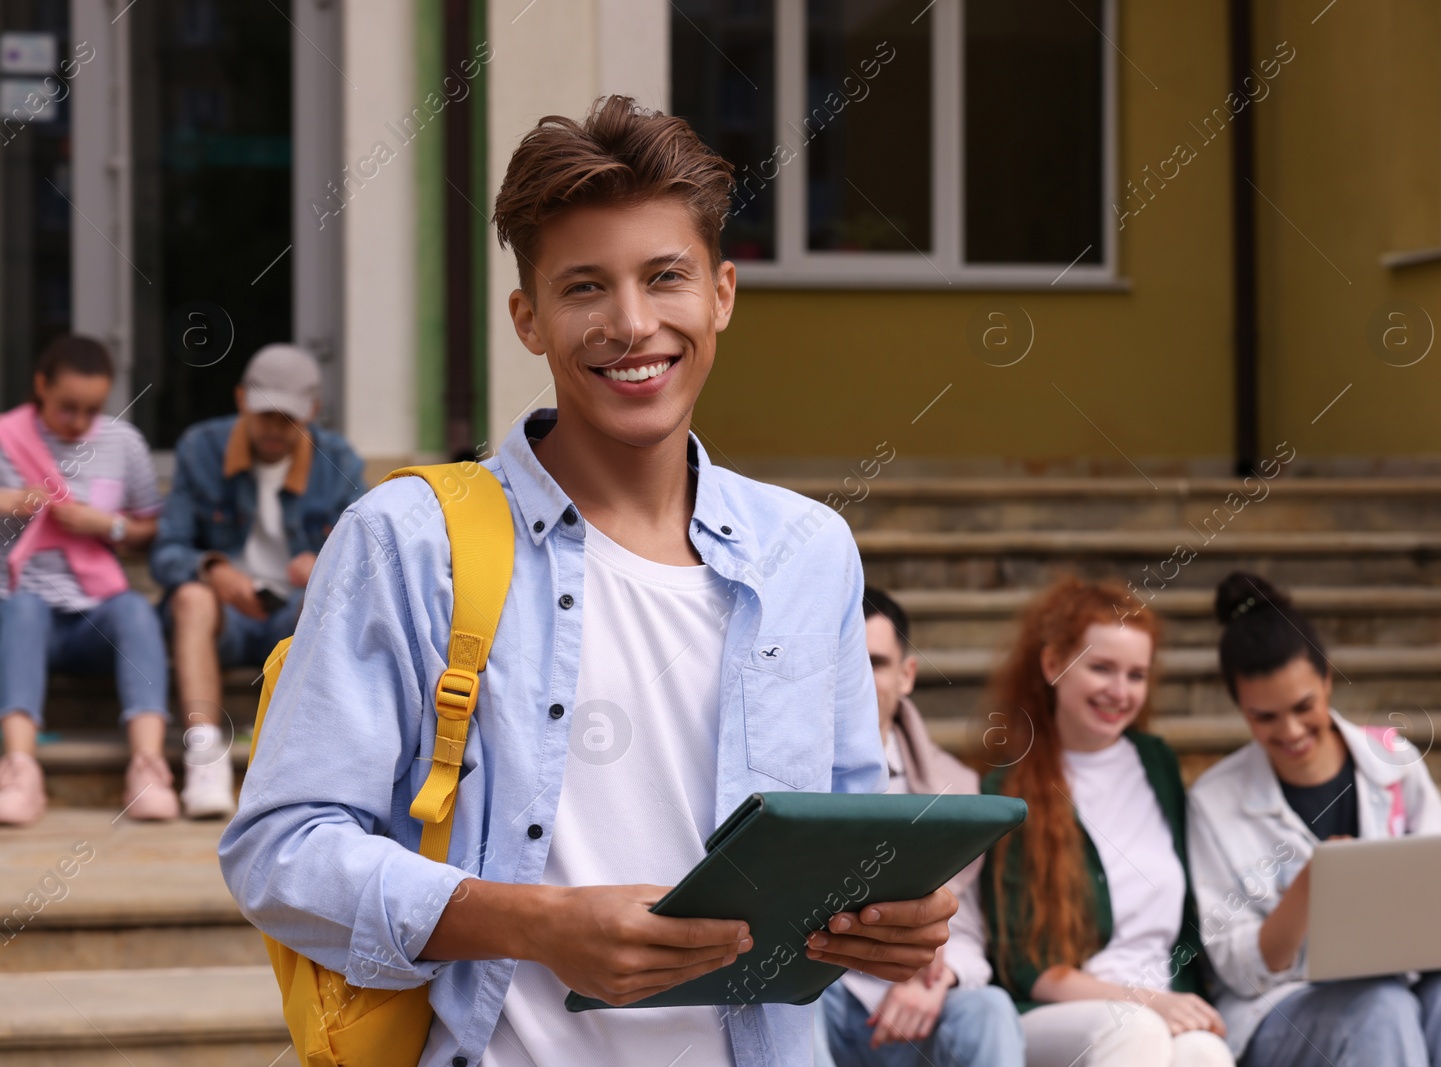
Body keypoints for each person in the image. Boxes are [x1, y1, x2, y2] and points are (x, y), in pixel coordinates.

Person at [219, 95, 955, 1067]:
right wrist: (531, 922)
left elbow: (857, 832)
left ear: (722, 292)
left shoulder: (808, 550)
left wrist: (896, 916)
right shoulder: (407, 539)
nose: (633, 323)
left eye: (665, 278)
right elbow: (281, 849)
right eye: (584, 288)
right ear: (527, 317)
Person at [1186, 571, 1441, 1067]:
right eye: (1264, 717)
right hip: (1284, 1011)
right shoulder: (1214, 800)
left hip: (1406, 982)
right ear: (1240, 707)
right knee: (1379, 1008)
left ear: (1327, 679)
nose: (1291, 731)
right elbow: (1238, 972)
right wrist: (1313, 884)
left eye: (1304, 707)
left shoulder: (1393, 758)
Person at [981, 576, 1232, 1067]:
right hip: (1056, 1013)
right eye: (1101, 668)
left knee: (1205, 1052)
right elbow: (1028, 967)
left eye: (1136, 675)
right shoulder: (1008, 792)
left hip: (1164, 1001)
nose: (1120, 691)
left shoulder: (1156, 764)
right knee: (1133, 1030)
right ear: (1054, 665)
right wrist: (1147, 1001)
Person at [150, 344, 364, 819]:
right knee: (189, 596)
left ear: (313, 410)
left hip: (293, 622)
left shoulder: (341, 463)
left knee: (333, 596)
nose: (274, 427)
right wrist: (213, 569)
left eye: (287, 417)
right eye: (264, 412)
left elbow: (375, 563)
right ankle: (205, 755)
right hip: (221, 618)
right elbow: (166, 552)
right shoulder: (200, 448)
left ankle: (303, 766)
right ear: (241, 398)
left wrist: (327, 564)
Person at [815, 587, 1025, 1067]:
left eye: (875, 662)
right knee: (788, 1009)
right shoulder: (781, 780)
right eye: (841, 662)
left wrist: (941, 981)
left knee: (990, 1009)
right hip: (821, 1002)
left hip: (920, 1011)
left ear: (907, 675)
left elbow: (967, 929)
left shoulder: (958, 787)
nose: (858, 680)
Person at [0, 334, 169, 825]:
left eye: (91, 410)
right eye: (66, 408)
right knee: (25, 608)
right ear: (40, 387)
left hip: (95, 613)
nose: (77, 422)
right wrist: (10, 503)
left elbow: (154, 529)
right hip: (20, 615)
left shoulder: (123, 443)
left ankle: (148, 766)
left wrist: (109, 526)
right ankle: (19, 768)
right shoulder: (7, 437)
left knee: (136, 610)